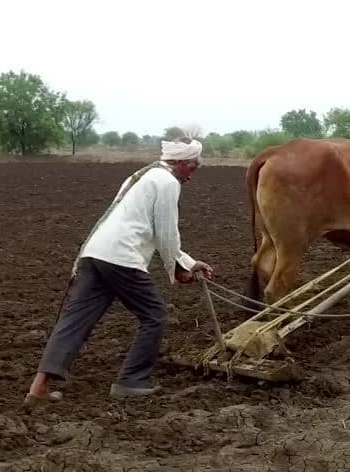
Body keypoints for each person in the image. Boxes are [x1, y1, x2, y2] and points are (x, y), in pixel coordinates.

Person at [24, 136, 214, 405]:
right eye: (192, 168)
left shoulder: (141, 175)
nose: (192, 176)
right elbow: (167, 234)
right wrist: (180, 269)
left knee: (73, 322)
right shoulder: (167, 182)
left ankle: (38, 388)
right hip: (122, 257)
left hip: (94, 252)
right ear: (181, 162)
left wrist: (186, 262)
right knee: (155, 316)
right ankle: (131, 381)